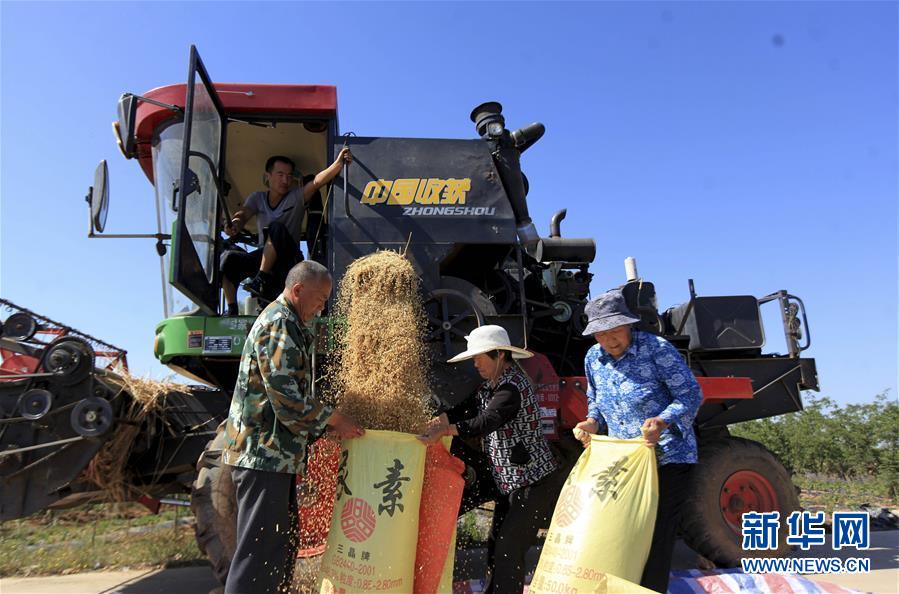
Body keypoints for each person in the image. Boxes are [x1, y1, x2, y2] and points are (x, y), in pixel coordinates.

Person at [222, 260, 363, 594]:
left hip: (277, 457)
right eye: (320, 298)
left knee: (279, 548)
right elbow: (287, 399)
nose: (323, 306)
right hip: (262, 456)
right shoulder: (279, 324)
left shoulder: (294, 325)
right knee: (258, 553)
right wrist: (336, 419)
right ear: (298, 289)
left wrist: (321, 429)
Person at [573, 288, 702, 593]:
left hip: (669, 457)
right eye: (602, 334)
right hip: (628, 462)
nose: (610, 339)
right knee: (626, 533)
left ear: (629, 325)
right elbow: (596, 401)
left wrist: (662, 420)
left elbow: (690, 393)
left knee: (655, 537)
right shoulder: (594, 358)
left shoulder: (656, 349)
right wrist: (592, 423)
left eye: (616, 330)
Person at [418, 325, 559, 594]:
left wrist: (445, 430)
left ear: (500, 355)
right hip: (510, 483)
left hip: (534, 482)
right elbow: (465, 409)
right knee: (496, 544)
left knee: (508, 547)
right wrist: (436, 421)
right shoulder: (489, 386)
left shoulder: (512, 387)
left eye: (479, 357)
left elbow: (487, 420)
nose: (475, 362)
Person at [221, 148, 352, 314]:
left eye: (289, 176)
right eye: (280, 174)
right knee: (228, 259)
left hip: (289, 260)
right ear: (267, 176)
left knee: (276, 228)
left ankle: (261, 279)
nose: (285, 180)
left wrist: (338, 163)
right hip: (265, 257)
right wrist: (234, 224)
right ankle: (232, 308)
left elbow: (317, 182)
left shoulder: (296, 197)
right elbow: (244, 214)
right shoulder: (257, 198)